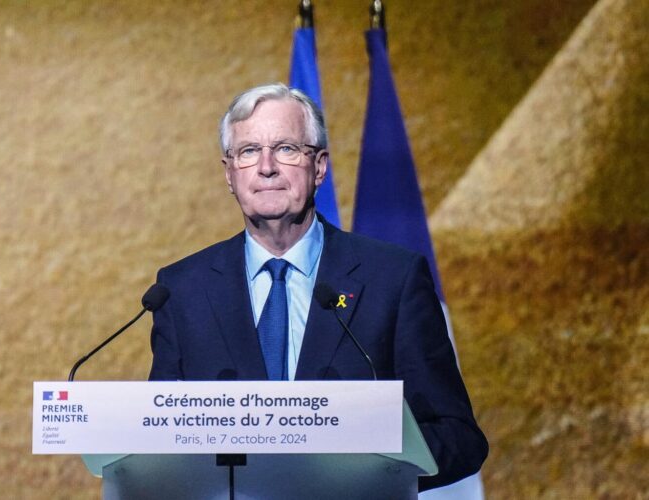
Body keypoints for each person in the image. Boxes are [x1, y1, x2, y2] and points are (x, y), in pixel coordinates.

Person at [148, 83, 488, 490]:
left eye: (287, 149)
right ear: (228, 174)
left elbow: (458, 436)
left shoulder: (392, 280)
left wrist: (367, 468)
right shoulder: (181, 290)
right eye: (249, 151)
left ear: (320, 167)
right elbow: (159, 439)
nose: (267, 167)